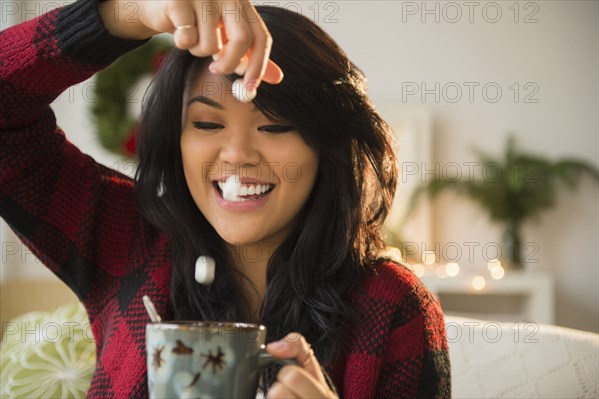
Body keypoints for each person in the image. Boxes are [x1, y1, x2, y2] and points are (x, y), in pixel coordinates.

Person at [0, 0, 451, 397]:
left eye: (274, 126)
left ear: (324, 148)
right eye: (207, 125)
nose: (236, 154)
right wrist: (126, 13)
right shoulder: (125, 242)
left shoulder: (392, 307)